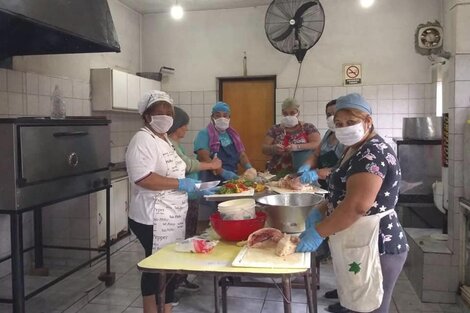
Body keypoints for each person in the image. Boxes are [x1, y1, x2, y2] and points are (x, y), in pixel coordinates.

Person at [296, 93, 409, 313]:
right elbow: (342, 188)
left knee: (372, 306)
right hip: (359, 238)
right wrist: (321, 209)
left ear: (368, 121)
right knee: (358, 304)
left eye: (351, 122)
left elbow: (357, 206)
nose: (344, 128)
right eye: (339, 124)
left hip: (378, 244)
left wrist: (319, 232)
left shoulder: (372, 153)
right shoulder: (354, 148)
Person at [126, 90, 200, 313]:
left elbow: (177, 167)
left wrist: (192, 185)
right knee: (156, 267)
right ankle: (152, 310)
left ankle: (165, 309)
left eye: (169, 112)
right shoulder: (142, 140)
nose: (166, 116)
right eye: (159, 112)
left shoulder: (164, 139)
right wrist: (179, 184)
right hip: (152, 216)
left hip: (170, 214)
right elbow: (143, 178)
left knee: (167, 267)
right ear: (146, 115)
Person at [167, 106, 222, 292]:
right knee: (180, 240)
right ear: (175, 126)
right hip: (179, 199)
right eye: (184, 125)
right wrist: (211, 165)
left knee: (187, 236)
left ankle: (180, 278)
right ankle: (171, 286)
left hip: (188, 197)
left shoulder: (175, 144)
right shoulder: (169, 144)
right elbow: (188, 165)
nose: (186, 129)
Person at [194, 101, 255, 182]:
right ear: (212, 117)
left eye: (225, 115)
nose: (222, 118)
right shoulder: (204, 134)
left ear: (229, 118)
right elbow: (203, 157)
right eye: (218, 115)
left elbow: (241, 155)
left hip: (231, 180)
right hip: (211, 180)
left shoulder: (233, 135)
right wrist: (223, 172)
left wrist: (250, 169)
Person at [262, 97, 321, 175]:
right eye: (285, 113)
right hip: (277, 171)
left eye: (292, 113)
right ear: (282, 113)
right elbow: (264, 148)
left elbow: (317, 144)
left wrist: (297, 147)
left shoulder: (308, 127)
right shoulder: (275, 129)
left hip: (302, 170)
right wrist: (273, 148)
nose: (289, 116)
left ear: (298, 113)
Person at [298, 99, 345, 189]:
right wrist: (306, 166)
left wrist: (316, 174)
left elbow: (343, 167)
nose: (332, 117)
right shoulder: (329, 133)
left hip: (338, 184)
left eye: (335, 114)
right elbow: (316, 154)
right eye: (329, 115)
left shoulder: (347, 139)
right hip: (323, 184)